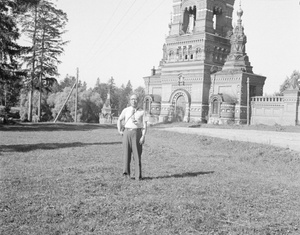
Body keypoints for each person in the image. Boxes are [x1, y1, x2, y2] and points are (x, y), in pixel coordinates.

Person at [117, 94, 147, 181]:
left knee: (137, 155)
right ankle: (126, 174)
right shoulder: (126, 110)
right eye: (132, 99)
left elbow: (145, 125)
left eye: (135, 99)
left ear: (138, 101)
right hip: (126, 133)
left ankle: (138, 176)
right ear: (130, 101)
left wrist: (143, 136)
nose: (134, 101)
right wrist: (119, 130)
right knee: (126, 154)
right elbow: (119, 119)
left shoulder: (142, 112)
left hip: (137, 133)